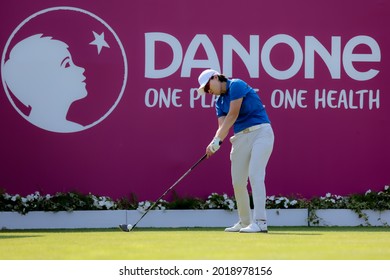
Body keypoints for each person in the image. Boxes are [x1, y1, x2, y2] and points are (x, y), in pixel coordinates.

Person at [197, 69, 274, 233]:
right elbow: (222, 126)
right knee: (238, 182)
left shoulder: (236, 85)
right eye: (205, 89)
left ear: (216, 77)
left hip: (261, 132)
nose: (208, 91)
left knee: (255, 174)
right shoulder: (218, 102)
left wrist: (217, 141)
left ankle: (260, 222)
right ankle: (245, 222)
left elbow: (233, 115)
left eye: (208, 86)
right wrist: (215, 142)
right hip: (240, 138)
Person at [3, 34, 87, 133]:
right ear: (42, 80)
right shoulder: (22, 133)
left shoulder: (75, 128)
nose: (82, 69)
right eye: (67, 64)